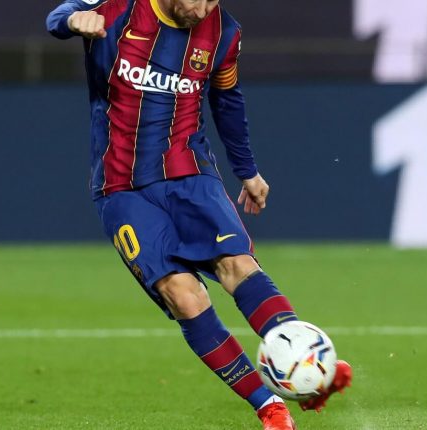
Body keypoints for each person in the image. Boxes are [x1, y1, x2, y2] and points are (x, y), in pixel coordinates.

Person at [45, 0, 352, 428]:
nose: (203, 8)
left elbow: (227, 100)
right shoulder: (117, 9)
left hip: (190, 174)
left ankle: (306, 365)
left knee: (238, 265)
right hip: (121, 187)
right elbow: (59, 16)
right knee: (184, 297)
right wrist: (71, 19)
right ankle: (269, 406)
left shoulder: (224, 32)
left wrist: (247, 170)